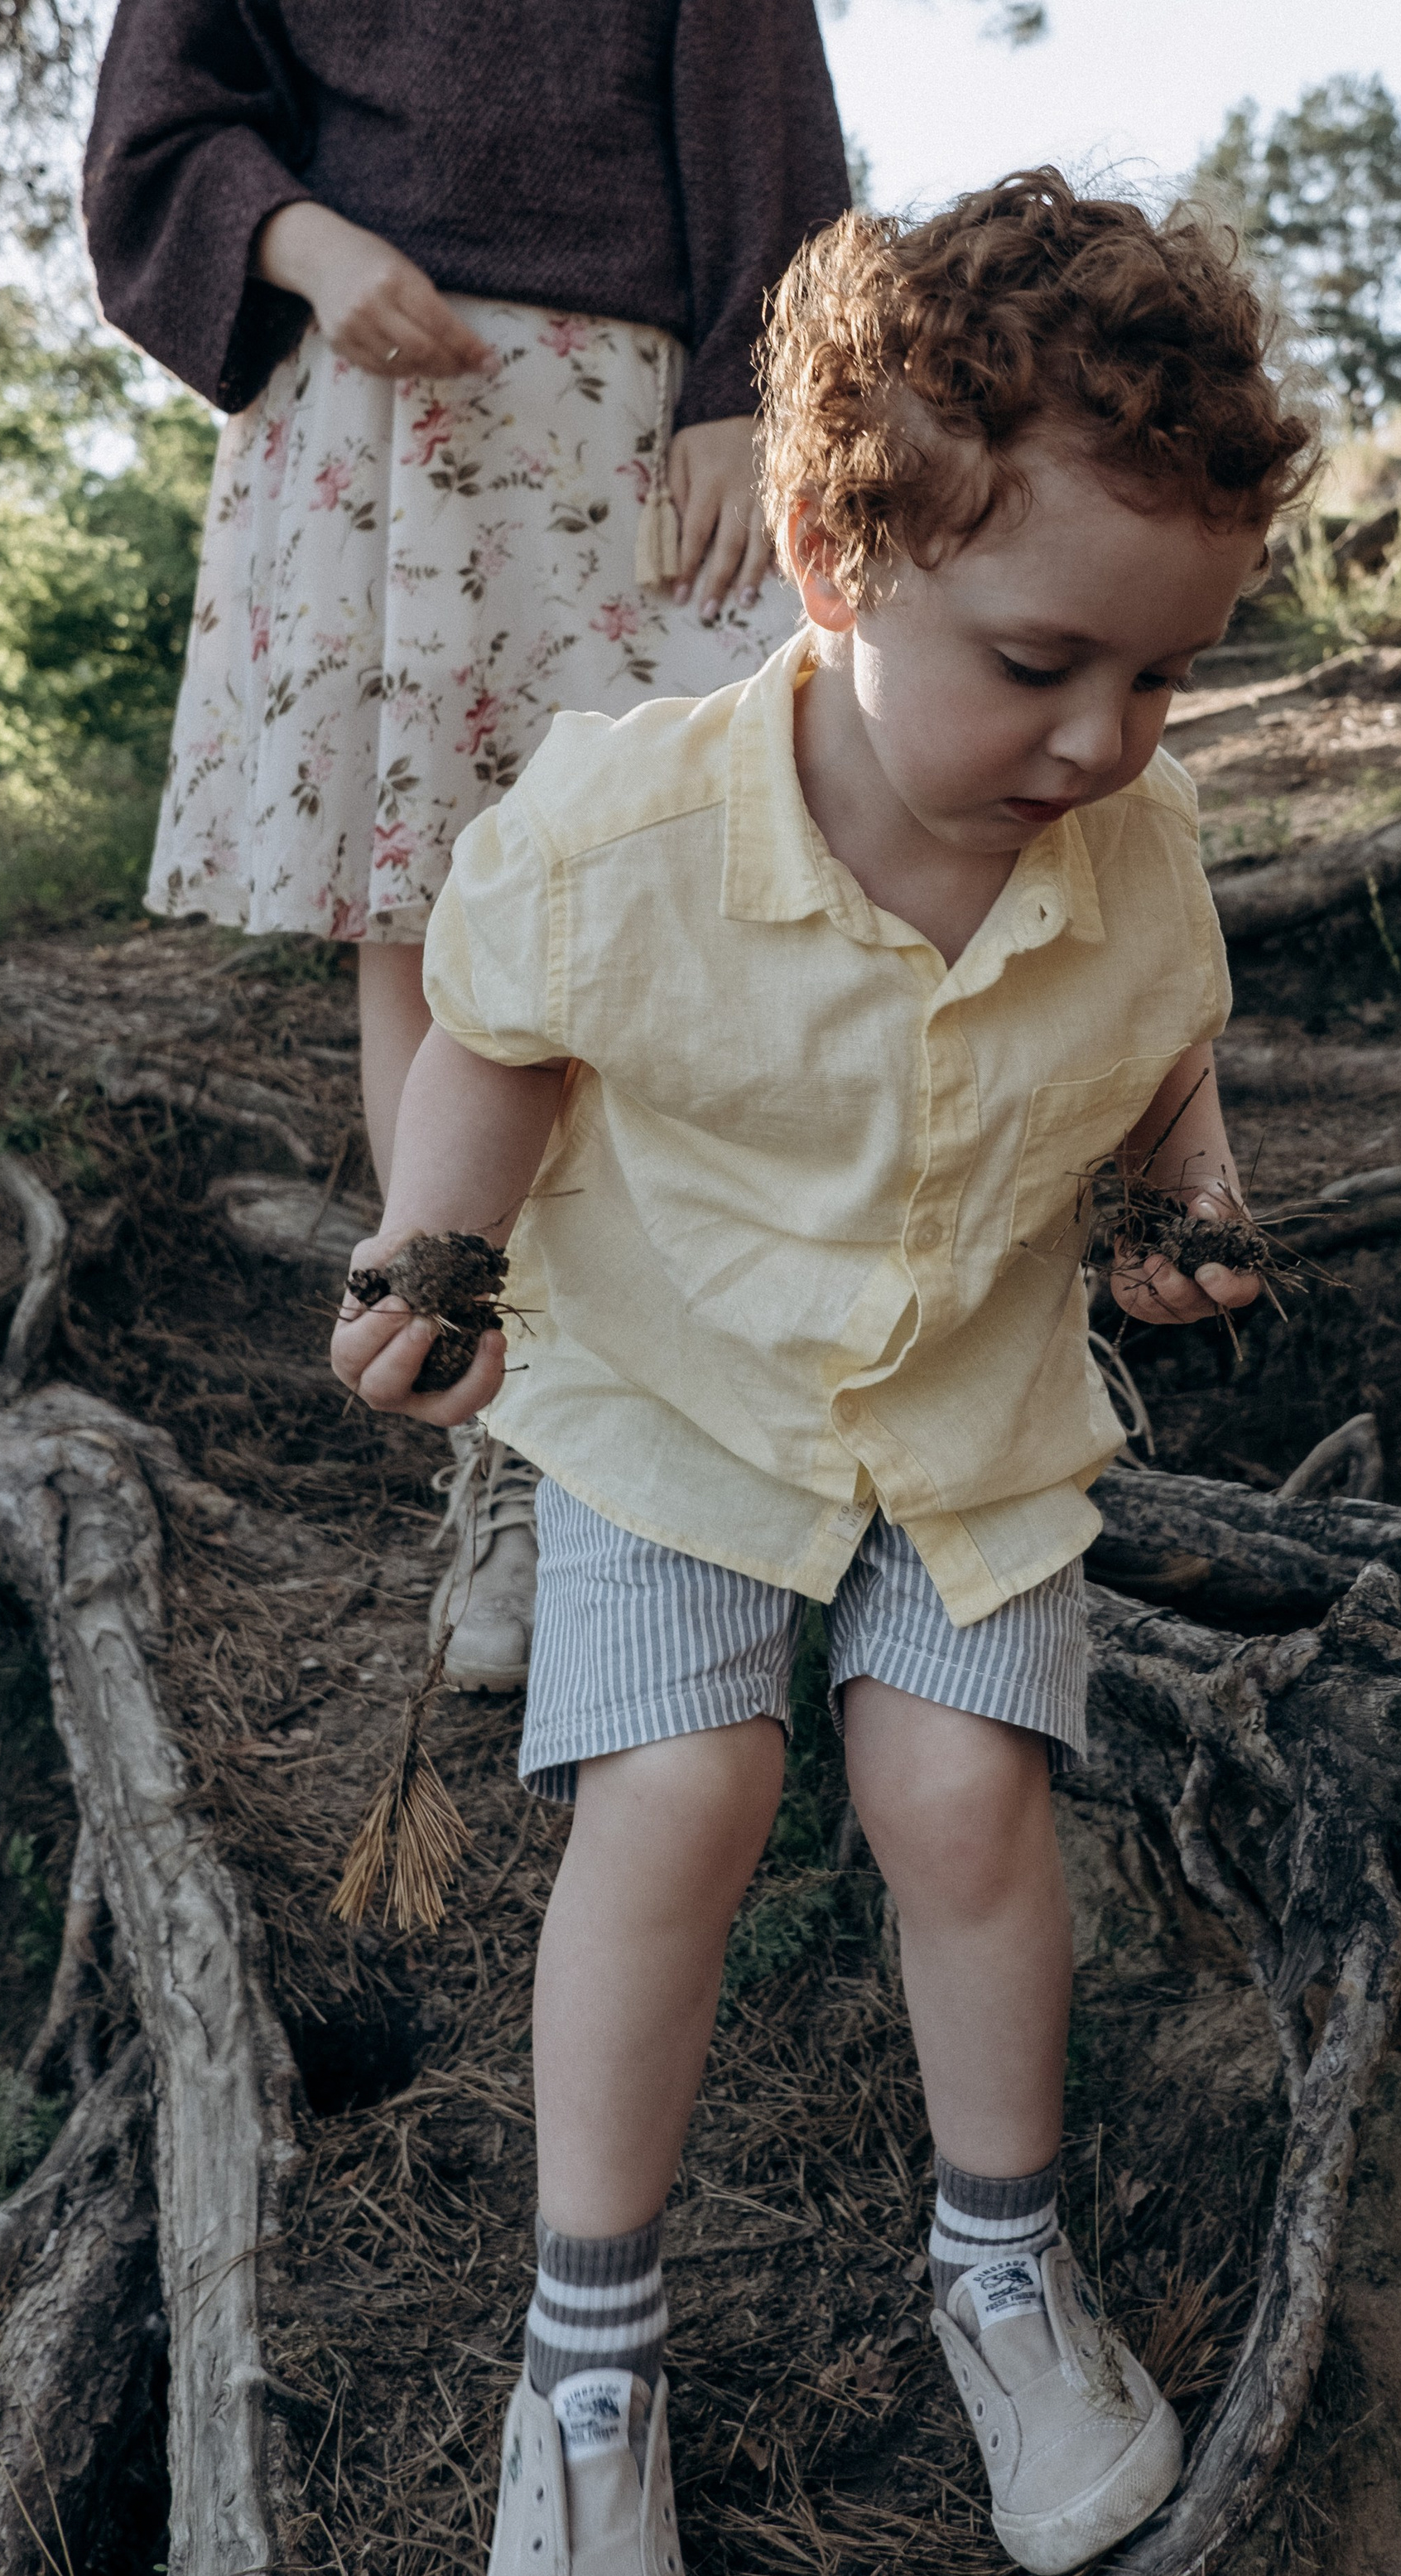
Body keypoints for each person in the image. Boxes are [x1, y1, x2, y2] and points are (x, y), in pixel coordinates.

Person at [332, 170, 1316, 2576]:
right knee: (681, 1780)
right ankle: (589, 2364)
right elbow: (499, 1032)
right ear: (826, 550)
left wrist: (1183, 1210)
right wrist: (439, 1246)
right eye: (1039, 662)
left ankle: (999, 2266)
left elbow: (1164, 1036)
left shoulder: (1132, 840)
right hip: (680, 1384)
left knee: (963, 1782)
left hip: (974, 1386)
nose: (1103, 737)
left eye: (1162, 678)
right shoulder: (631, 825)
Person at [83, 0, 852, 1689]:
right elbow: (152, 128)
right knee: (433, 939)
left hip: (645, 421)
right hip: (376, 414)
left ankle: (747, 1416)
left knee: (696, 904)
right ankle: (508, 1457)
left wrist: (751, 391)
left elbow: (766, 107)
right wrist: (305, 241)